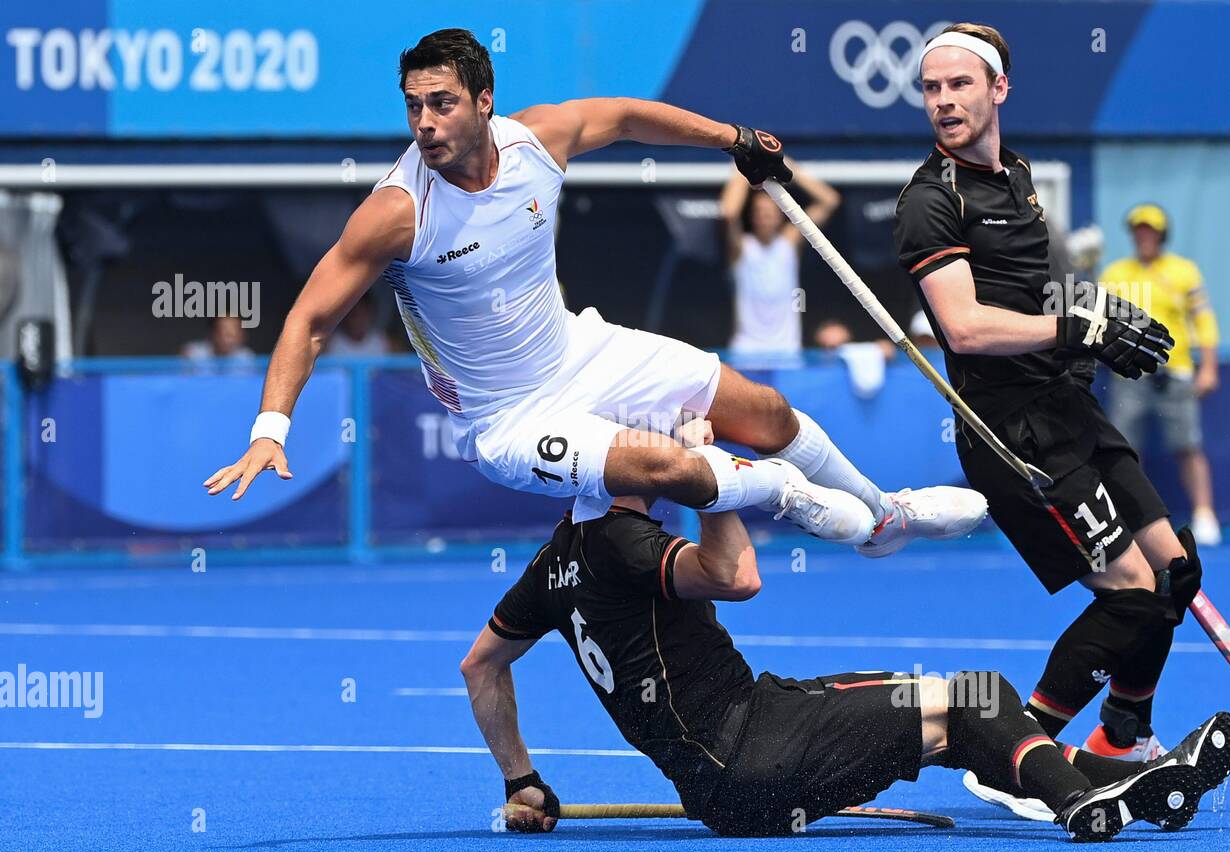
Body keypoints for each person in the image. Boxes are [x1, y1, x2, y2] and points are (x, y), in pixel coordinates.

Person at [205, 28, 986, 561]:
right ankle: (788, 495)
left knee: (767, 412)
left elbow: (628, 118)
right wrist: (271, 427)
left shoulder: (537, 140)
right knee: (670, 470)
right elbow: (308, 319)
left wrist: (732, 140)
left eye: (441, 102)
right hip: (508, 419)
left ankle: (885, 516)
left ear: (483, 101)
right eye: (413, 106)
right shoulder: (397, 211)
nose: (425, 123)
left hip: (583, 349)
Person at [461, 418, 1230, 840]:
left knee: (953, 728)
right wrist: (711, 478)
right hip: (754, 742)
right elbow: (739, 578)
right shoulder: (623, 540)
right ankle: (1082, 806)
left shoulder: (553, 562)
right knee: (975, 694)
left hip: (730, 778)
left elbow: (481, 668)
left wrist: (520, 782)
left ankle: (1119, 786)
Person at [892, 23, 1202, 818]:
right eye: (931, 89)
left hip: (1068, 406)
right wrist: (1074, 328)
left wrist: (1091, 312)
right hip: (1013, 433)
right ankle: (1015, 756)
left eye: (959, 85)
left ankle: (1120, 739)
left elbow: (1047, 286)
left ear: (999, 89)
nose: (943, 101)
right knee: (1131, 594)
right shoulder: (933, 201)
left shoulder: (1020, 176)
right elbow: (962, 328)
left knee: (1174, 574)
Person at [1099, 205, 1223, 546]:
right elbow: (1098, 320)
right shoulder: (1114, 272)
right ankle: (1126, 518)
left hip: (1177, 373)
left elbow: (1204, 321)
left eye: (1150, 230)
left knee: (1187, 445)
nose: (1144, 236)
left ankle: (1205, 514)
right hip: (1129, 374)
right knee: (1124, 449)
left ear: (1162, 234)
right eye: (1138, 230)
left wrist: (1209, 367)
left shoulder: (1185, 272)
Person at [719, 161, 840, 356]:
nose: (765, 217)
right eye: (760, 212)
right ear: (752, 217)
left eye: (770, 212)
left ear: (780, 216)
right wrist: (743, 167)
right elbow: (728, 214)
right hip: (747, 351)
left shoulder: (788, 244)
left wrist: (784, 165)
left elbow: (829, 200)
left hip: (787, 350)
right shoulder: (741, 248)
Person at [325, 289, 391, 357]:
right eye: (354, 314)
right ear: (345, 315)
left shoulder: (384, 342)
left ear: (371, 314)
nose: (358, 319)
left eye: (363, 314)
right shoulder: (330, 344)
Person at [180, 314, 255, 362]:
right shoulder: (194, 354)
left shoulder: (246, 358)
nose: (227, 339)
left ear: (241, 335)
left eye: (232, 334)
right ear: (212, 333)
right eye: (223, 331)